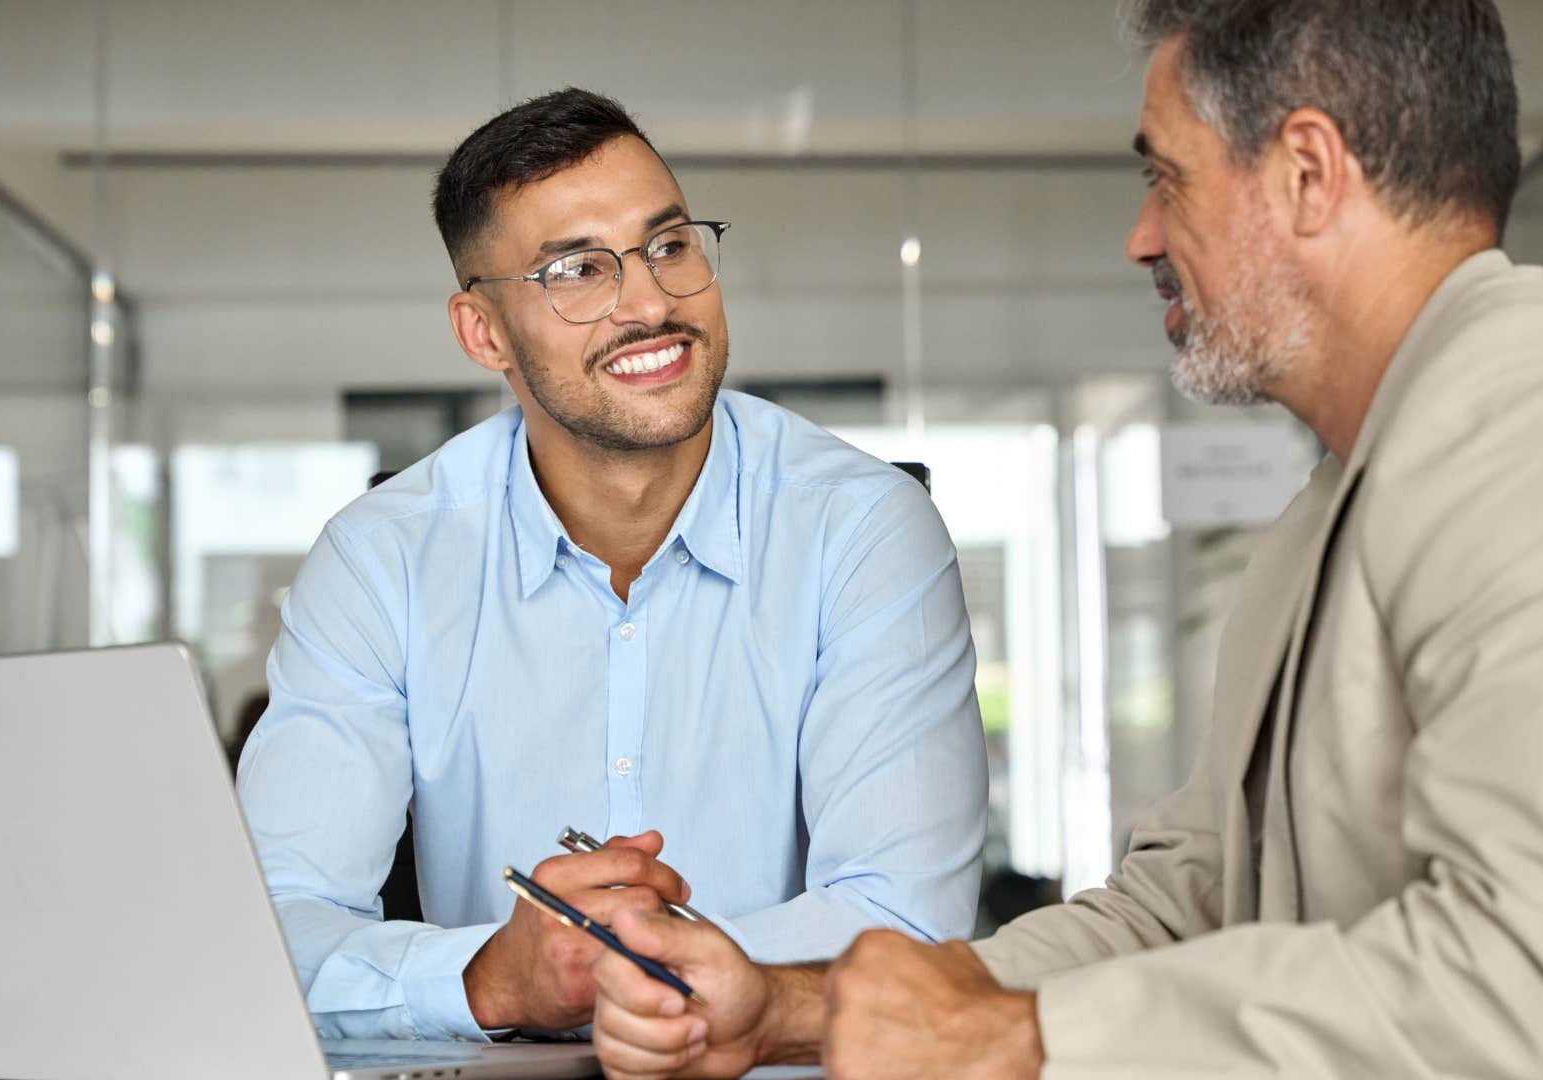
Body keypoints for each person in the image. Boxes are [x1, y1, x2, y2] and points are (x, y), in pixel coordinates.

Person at [587, 2, 1543, 1077]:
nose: (1141, 237)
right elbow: (1189, 904)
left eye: (1164, 178)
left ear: (1309, 174)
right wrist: (795, 1006)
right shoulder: (1341, 501)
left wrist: (1019, 1044)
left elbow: (1530, 994)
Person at [234, 88, 987, 1043]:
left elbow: (909, 920)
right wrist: (487, 979)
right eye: (576, 270)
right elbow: (273, 929)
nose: (650, 302)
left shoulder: (865, 528)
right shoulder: (384, 557)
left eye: (670, 246)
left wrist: (631, 968)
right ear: (484, 333)